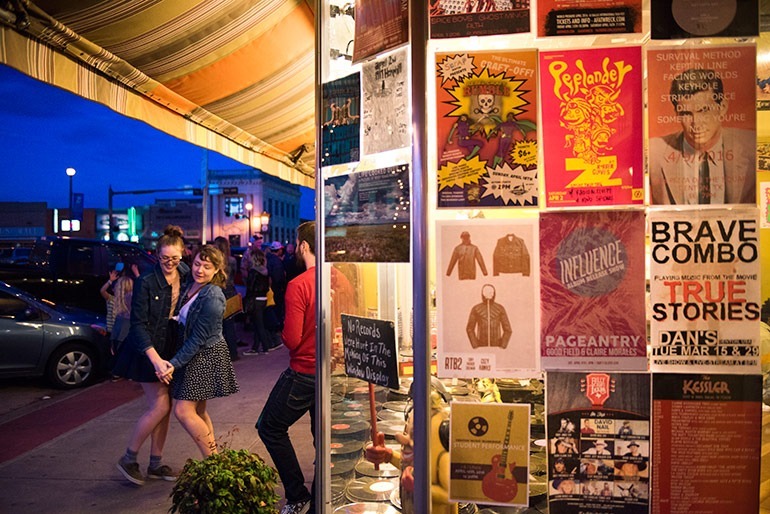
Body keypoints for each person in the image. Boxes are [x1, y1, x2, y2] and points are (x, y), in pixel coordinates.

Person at [113, 225, 189, 485]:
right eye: (164, 258)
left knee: (164, 409)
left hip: (171, 347)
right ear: (156, 255)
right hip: (148, 350)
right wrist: (155, 359)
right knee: (161, 405)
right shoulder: (146, 280)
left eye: (175, 258)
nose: (169, 263)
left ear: (183, 255)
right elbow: (137, 326)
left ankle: (155, 463)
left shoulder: (186, 273)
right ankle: (128, 458)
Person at [257, 221, 316, 514]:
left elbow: (292, 339)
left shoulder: (300, 284)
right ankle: (320, 499)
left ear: (303, 246)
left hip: (303, 372)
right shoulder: (342, 279)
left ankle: (297, 494)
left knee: (269, 427)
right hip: (332, 374)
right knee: (325, 441)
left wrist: (282, 333)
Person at [157, 245, 239, 457]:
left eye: (207, 266)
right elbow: (176, 264)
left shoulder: (213, 295)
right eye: (197, 264)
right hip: (193, 354)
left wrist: (172, 364)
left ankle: (212, 460)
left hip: (205, 356)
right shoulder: (193, 285)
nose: (200, 270)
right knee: (199, 411)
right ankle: (214, 459)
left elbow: (197, 339)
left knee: (183, 411)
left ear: (217, 271)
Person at [649, 68, 755, 205]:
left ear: (722, 107)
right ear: (677, 113)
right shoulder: (654, 153)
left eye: (703, 110)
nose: (696, 123)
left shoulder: (751, 146)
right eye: (686, 113)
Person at [213, 236, 240, 361]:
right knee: (230, 325)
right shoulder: (232, 260)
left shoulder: (216, 262)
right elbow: (235, 274)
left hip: (219, 292)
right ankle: (233, 353)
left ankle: (221, 355)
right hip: (231, 292)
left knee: (218, 326)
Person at [243, 246, 272, 355]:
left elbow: (250, 287)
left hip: (255, 299)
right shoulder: (265, 271)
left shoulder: (253, 272)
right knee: (259, 323)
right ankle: (256, 347)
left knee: (258, 325)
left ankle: (265, 347)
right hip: (263, 299)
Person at [465, 284, 512, 349]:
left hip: (496, 346)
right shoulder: (476, 308)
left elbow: (508, 330)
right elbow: (470, 329)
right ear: (483, 293)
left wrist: (502, 346)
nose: (491, 294)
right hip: (481, 346)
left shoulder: (500, 308)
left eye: (492, 292)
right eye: (488, 292)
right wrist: (475, 345)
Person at [265, 241, 287, 349]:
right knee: (276, 311)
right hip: (276, 290)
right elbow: (278, 278)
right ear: (279, 250)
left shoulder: (267, 259)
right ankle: (275, 333)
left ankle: (271, 333)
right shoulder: (277, 262)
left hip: (268, 290)